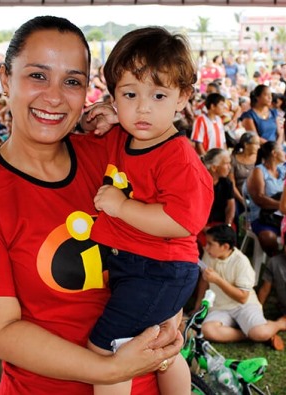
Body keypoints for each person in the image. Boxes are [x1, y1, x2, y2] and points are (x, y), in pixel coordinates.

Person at [0, 15, 182, 394]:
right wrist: (109, 369)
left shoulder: (111, 155)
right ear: (5, 78)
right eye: (38, 76)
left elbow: (175, 223)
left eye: (72, 81)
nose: (54, 97)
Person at [86, 26, 213, 395]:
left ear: (182, 97)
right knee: (160, 348)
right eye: (130, 94)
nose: (143, 107)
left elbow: (179, 221)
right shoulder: (123, 136)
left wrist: (122, 206)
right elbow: (86, 129)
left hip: (159, 270)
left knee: (107, 351)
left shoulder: (178, 157)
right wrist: (103, 117)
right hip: (140, 265)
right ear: (113, 96)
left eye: (159, 95)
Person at [196, 224, 286, 352]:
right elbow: (204, 281)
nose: (206, 247)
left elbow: (242, 298)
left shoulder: (241, 262)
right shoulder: (209, 254)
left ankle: (281, 324)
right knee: (207, 330)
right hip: (220, 307)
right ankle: (248, 334)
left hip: (244, 306)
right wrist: (198, 307)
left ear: (225, 247)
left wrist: (218, 280)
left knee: (261, 333)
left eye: (210, 244)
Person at [246, 141, 286, 256]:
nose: (285, 153)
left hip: (282, 216)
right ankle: (278, 261)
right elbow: (260, 198)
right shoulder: (259, 171)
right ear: (274, 153)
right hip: (262, 217)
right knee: (268, 238)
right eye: (282, 150)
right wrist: (283, 206)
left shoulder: (283, 170)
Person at [229, 131, 260, 220]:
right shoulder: (233, 159)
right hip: (238, 195)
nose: (258, 147)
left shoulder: (259, 158)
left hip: (257, 196)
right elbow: (232, 183)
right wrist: (241, 199)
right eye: (256, 144)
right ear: (246, 144)